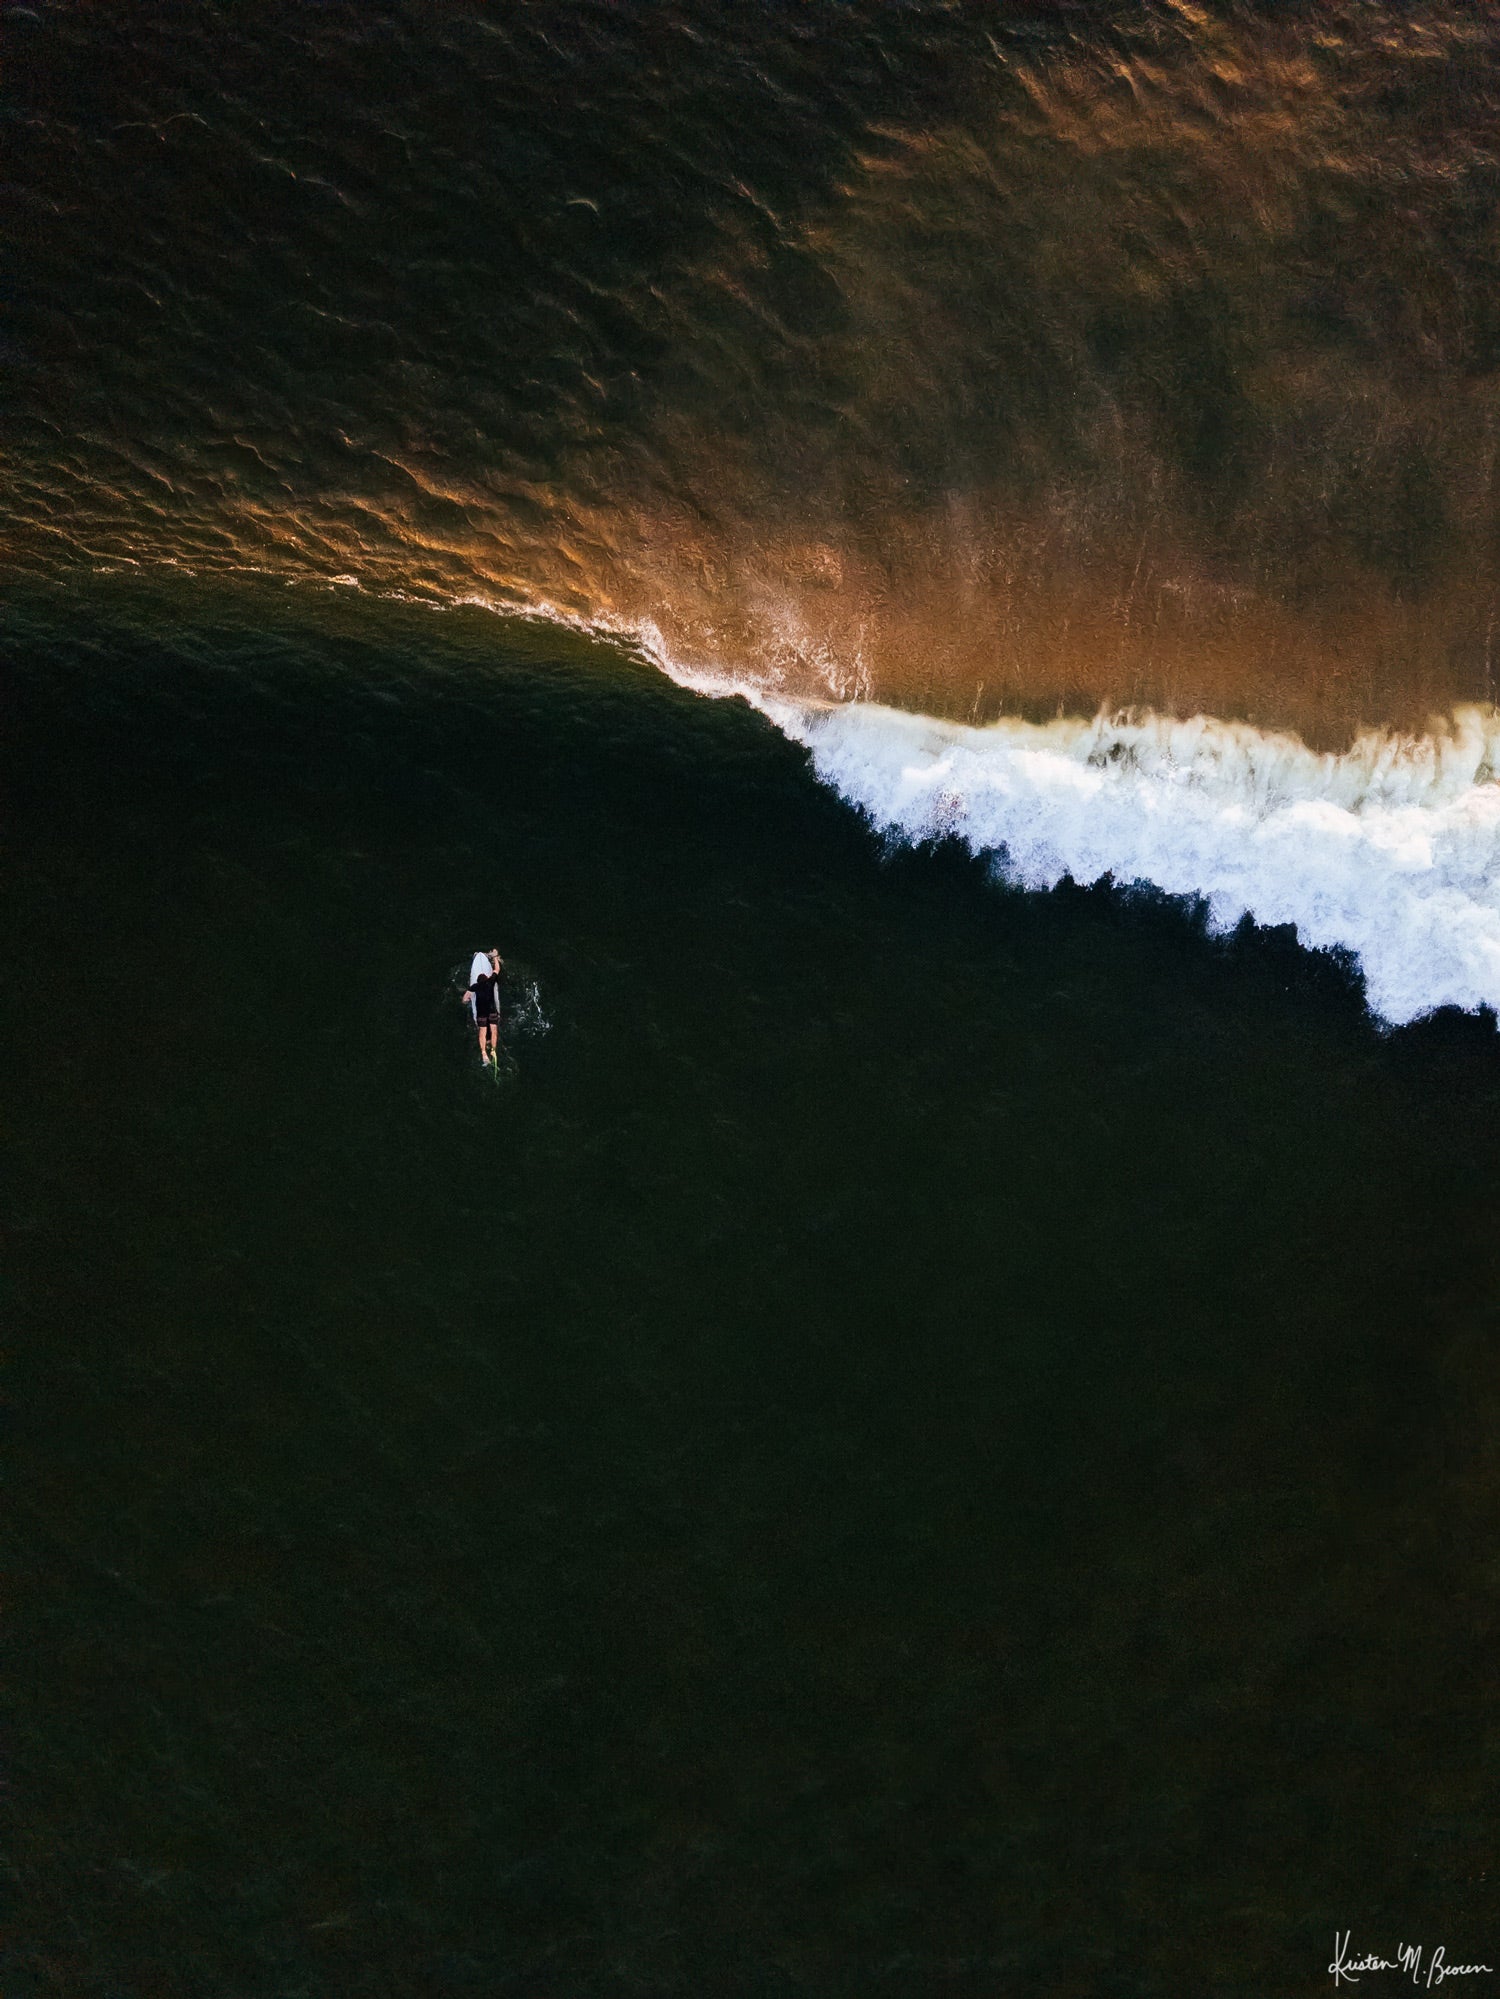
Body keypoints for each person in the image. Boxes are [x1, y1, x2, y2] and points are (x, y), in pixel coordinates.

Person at [463, 949, 505, 1065]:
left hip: (481, 1013)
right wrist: (495, 957)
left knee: (482, 1031)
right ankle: (493, 1050)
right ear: (487, 978)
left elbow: (464, 999)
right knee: (494, 1030)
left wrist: (467, 1000)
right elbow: (497, 970)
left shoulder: (475, 986)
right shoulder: (491, 981)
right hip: (492, 1012)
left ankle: (483, 1053)